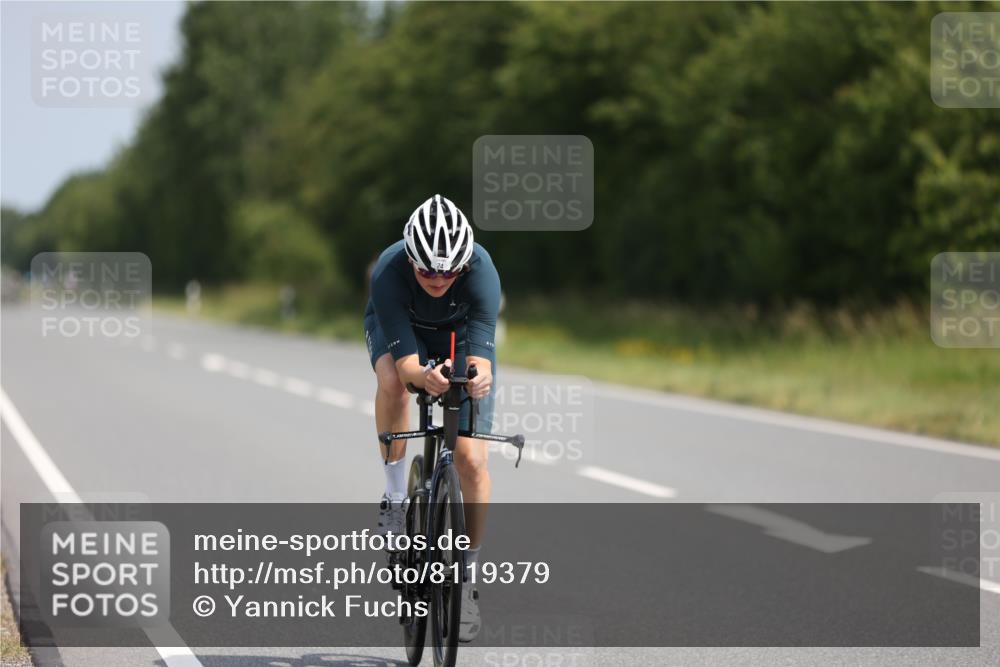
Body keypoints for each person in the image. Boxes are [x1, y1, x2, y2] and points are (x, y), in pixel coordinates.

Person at [363, 194, 500, 642]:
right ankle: (396, 495)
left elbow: (482, 358)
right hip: (403, 331)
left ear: (464, 264)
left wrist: (476, 379)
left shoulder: (482, 273)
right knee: (392, 383)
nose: (439, 279)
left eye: (449, 271)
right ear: (411, 260)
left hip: (457, 335)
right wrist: (424, 374)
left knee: (473, 463)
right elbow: (407, 369)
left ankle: (466, 578)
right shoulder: (389, 271)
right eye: (427, 271)